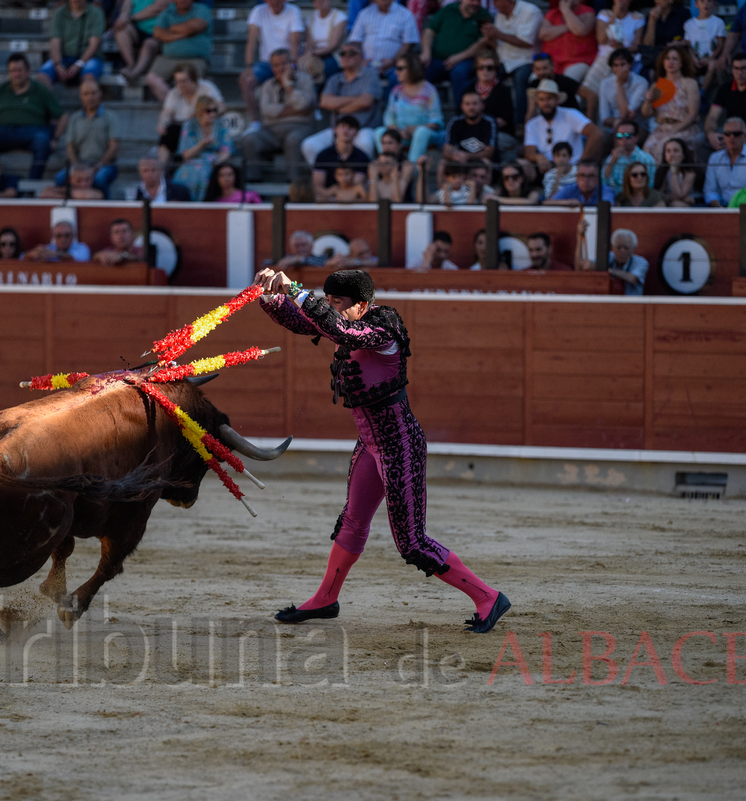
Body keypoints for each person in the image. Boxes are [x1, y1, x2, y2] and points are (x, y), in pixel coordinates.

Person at [254, 268, 511, 632]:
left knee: (412, 542)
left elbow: (339, 329)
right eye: (328, 302)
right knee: (352, 521)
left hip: (400, 445)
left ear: (361, 305)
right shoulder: (348, 318)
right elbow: (308, 321)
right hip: (371, 444)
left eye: (337, 303)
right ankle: (326, 599)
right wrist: (267, 293)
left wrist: (295, 288)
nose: (331, 309)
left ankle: (488, 597)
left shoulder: (383, 328)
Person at [0, 54, 67, 180]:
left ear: (28, 71)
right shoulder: (2, 89)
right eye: (12, 71)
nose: (16, 74)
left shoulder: (39, 90)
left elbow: (63, 116)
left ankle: (33, 181)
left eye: (19, 70)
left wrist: (56, 139)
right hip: (2, 131)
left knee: (42, 141)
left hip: (32, 132)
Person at [242, 48, 314, 184]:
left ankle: (294, 183)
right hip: (271, 130)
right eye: (276, 65)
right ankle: (253, 183)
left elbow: (304, 105)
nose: (280, 68)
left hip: (300, 127)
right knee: (249, 139)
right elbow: (266, 110)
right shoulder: (267, 85)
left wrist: (288, 85)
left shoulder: (306, 80)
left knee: (293, 139)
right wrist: (296, 110)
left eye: (284, 63)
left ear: (292, 63)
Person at [301, 45, 381, 166]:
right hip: (337, 130)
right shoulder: (335, 78)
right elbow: (324, 102)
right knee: (309, 145)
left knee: (365, 142)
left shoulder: (370, 75)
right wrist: (356, 99)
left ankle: (362, 180)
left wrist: (338, 104)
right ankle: (327, 178)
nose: (346, 57)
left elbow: (366, 101)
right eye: (343, 54)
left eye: (351, 53)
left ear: (361, 57)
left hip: (363, 128)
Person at [238, 0, 304, 133]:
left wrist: (291, 65)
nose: (275, 2)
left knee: (298, 77)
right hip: (266, 63)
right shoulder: (258, 11)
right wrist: (249, 66)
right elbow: (251, 41)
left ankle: (300, 118)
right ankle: (255, 121)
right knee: (246, 80)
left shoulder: (293, 10)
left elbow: (295, 43)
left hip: (287, 60)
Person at [123, 0, 211, 97]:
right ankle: (174, 104)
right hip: (168, 58)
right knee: (151, 77)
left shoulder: (201, 9)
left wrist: (172, 28)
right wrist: (184, 34)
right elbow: (158, 33)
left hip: (194, 58)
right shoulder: (167, 12)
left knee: (192, 81)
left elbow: (197, 25)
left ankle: (184, 107)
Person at [579, 0, 645, 118]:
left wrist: (622, 47)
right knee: (588, 90)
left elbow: (637, 46)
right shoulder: (604, 14)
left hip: (625, 58)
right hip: (604, 57)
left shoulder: (638, 17)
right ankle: (589, 121)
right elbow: (602, 39)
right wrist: (614, 15)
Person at [54, 77, 120, 195]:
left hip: (105, 165)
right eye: (86, 94)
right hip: (80, 165)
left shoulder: (111, 117)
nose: (90, 97)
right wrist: (76, 167)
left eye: (94, 93)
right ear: (81, 96)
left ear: (100, 94)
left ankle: (106, 209)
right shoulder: (74, 118)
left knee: (99, 179)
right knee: (59, 178)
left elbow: (114, 147)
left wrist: (96, 167)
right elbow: (70, 147)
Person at [420, 0, 492, 107]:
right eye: (472, 0)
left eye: (478, 1)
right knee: (418, 69)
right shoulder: (448, 10)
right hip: (438, 59)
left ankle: (463, 113)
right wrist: (426, 52)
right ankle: (420, 110)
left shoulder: (483, 15)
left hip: (466, 60)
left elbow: (483, 42)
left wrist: (459, 57)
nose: (476, 4)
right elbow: (430, 31)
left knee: (459, 72)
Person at [700, 53, 746, 158]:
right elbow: (712, 116)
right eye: (736, 68)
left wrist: (739, 136)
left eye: (744, 68)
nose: (739, 73)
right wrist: (711, 134)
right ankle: (708, 174)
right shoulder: (725, 88)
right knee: (700, 140)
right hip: (730, 131)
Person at [375, 52, 443, 163]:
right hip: (401, 133)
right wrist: (397, 131)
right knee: (379, 132)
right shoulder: (396, 91)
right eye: (396, 68)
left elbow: (436, 121)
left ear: (413, 68)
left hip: (425, 134)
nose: (396, 72)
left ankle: (411, 173)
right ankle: (387, 167)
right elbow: (389, 117)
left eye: (400, 68)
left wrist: (416, 128)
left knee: (421, 132)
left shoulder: (429, 90)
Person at [523, 78, 601, 174]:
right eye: (542, 99)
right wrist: (537, 156)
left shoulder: (570, 114)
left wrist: (582, 163)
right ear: (537, 102)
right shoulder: (532, 124)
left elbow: (596, 134)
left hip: (571, 167)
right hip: (546, 168)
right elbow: (529, 152)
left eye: (549, 98)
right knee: (521, 165)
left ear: (557, 100)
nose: (545, 103)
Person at [483, 0, 540, 128]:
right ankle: (486, 121)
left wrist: (498, 34)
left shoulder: (530, 11)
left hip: (526, 60)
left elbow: (526, 42)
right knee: (483, 74)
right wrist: (490, 38)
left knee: (521, 78)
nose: (494, 4)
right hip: (504, 60)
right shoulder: (499, 14)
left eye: (496, 1)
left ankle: (521, 123)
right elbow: (497, 44)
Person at [641, 44, 700, 164]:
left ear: (681, 63)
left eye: (675, 59)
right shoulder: (657, 85)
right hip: (661, 127)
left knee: (663, 147)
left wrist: (675, 129)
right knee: (646, 151)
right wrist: (648, 101)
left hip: (684, 127)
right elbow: (646, 114)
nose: (670, 62)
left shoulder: (689, 83)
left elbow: (693, 114)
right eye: (667, 59)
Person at [154, 63, 223, 163]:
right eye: (177, 81)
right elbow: (167, 112)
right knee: (168, 133)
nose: (180, 85)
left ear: (194, 80)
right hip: (181, 129)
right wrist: (162, 123)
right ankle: (162, 169)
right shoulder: (174, 93)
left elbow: (221, 106)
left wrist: (204, 115)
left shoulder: (207, 88)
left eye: (183, 81)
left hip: (202, 128)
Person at [347, 0, 420, 90]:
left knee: (399, 77)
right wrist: (361, 59)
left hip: (393, 66)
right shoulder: (365, 13)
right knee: (348, 74)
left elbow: (408, 43)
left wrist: (393, 61)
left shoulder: (405, 15)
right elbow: (355, 40)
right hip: (365, 64)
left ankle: (392, 103)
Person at [39, 0, 105, 87]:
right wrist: (58, 64)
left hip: (89, 59)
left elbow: (94, 44)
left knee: (89, 78)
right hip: (63, 58)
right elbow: (55, 41)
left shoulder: (96, 13)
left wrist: (79, 64)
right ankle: (47, 100)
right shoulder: (59, 13)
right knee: (42, 77)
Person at [178, 95, 232, 200]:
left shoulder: (221, 125)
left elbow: (227, 151)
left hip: (214, 162)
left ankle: (204, 203)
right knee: (194, 172)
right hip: (192, 162)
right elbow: (186, 155)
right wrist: (202, 144)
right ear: (200, 111)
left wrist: (217, 161)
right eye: (208, 111)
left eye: (214, 110)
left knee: (205, 172)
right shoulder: (189, 125)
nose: (212, 114)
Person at [312, 115, 371, 197]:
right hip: (327, 200)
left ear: (357, 133)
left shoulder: (362, 157)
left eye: (350, 127)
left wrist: (340, 193)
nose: (346, 130)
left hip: (352, 200)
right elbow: (317, 185)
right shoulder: (323, 155)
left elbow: (356, 184)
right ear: (335, 130)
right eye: (343, 126)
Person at [704, 118, 746, 207]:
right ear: (723, 136)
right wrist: (717, 206)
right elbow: (710, 190)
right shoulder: (714, 158)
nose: (732, 137)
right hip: (720, 207)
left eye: (736, 134)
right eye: (727, 134)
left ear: (745, 136)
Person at [537, 0, 595, 82]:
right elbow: (543, 34)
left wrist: (566, 10)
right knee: (534, 80)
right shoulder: (553, 13)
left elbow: (580, 30)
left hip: (578, 61)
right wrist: (569, 27)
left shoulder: (587, 11)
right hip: (553, 63)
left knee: (566, 81)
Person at [599, 47, 649, 140]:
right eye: (616, 65)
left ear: (630, 64)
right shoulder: (605, 84)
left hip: (636, 127)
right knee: (601, 136)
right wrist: (616, 122)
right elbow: (604, 117)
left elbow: (626, 114)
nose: (619, 69)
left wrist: (619, 84)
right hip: (613, 126)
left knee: (623, 133)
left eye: (622, 65)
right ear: (611, 67)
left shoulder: (641, 83)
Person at [111, 0, 167, 83]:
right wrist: (123, 16)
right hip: (138, 30)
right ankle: (130, 64)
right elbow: (127, 5)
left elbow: (159, 7)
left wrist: (131, 17)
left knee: (148, 44)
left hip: (158, 32)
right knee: (121, 29)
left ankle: (134, 74)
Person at [525, 52, 592, 120]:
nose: (542, 72)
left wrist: (588, 121)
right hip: (549, 123)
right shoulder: (534, 84)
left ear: (552, 67)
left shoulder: (564, 81)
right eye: (538, 69)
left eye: (545, 68)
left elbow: (591, 95)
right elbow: (531, 111)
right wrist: (528, 128)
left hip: (570, 121)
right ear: (534, 70)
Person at [443, 90, 497, 169]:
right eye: (467, 104)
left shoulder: (489, 122)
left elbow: (489, 152)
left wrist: (468, 156)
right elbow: (447, 150)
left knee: (486, 162)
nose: (471, 107)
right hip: (461, 161)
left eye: (475, 104)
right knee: (443, 163)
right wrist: (454, 155)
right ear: (462, 106)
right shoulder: (455, 122)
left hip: (480, 161)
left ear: (482, 105)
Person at [298, 0, 345, 88]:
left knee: (318, 73)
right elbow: (309, 43)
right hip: (314, 55)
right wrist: (308, 55)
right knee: (302, 70)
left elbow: (333, 45)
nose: (319, 2)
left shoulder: (339, 17)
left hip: (333, 56)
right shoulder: (311, 18)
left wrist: (314, 53)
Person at [602, 119, 654, 195]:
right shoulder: (612, 157)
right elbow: (604, 182)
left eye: (627, 135)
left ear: (636, 138)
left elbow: (649, 186)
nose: (623, 139)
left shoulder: (647, 159)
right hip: (616, 200)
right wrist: (612, 161)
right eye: (619, 136)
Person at [683, 0, 726, 90]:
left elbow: (720, 45)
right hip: (694, 58)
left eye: (709, 1)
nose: (706, 4)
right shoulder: (689, 24)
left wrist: (710, 58)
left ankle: (703, 91)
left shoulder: (719, 22)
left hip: (711, 58)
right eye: (702, 1)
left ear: (714, 4)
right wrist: (694, 58)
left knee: (712, 65)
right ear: (696, 4)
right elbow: (689, 45)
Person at [545, 158, 613, 205]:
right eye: (582, 175)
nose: (586, 180)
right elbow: (547, 203)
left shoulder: (605, 190)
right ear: (577, 177)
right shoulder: (569, 189)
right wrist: (567, 203)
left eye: (591, 176)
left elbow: (609, 205)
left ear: (598, 178)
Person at [603, 228, 647, 294]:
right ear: (613, 247)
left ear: (633, 248)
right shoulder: (608, 257)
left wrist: (608, 270)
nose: (622, 251)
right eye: (618, 247)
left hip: (632, 302)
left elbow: (632, 278)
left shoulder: (640, 262)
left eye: (626, 248)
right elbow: (584, 264)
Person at [654, 137, 695, 206]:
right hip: (670, 203)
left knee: (676, 204)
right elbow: (659, 195)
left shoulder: (690, 172)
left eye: (676, 151)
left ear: (684, 154)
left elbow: (679, 195)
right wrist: (672, 198)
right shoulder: (662, 171)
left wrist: (673, 171)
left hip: (687, 207)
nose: (671, 154)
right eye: (668, 151)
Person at [26, 220, 90, 263]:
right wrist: (33, 254)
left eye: (67, 235)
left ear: (74, 236)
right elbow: (22, 257)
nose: (63, 239)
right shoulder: (49, 248)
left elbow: (75, 259)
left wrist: (57, 254)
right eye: (59, 236)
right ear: (53, 236)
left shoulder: (82, 248)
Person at [39, 162, 104, 200]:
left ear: (92, 178)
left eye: (87, 180)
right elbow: (44, 194)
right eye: (79, 181)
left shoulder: (97, 193)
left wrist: (64, 193)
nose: (83, 184)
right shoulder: (63, 189)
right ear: (70, 180)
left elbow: (86, 196)